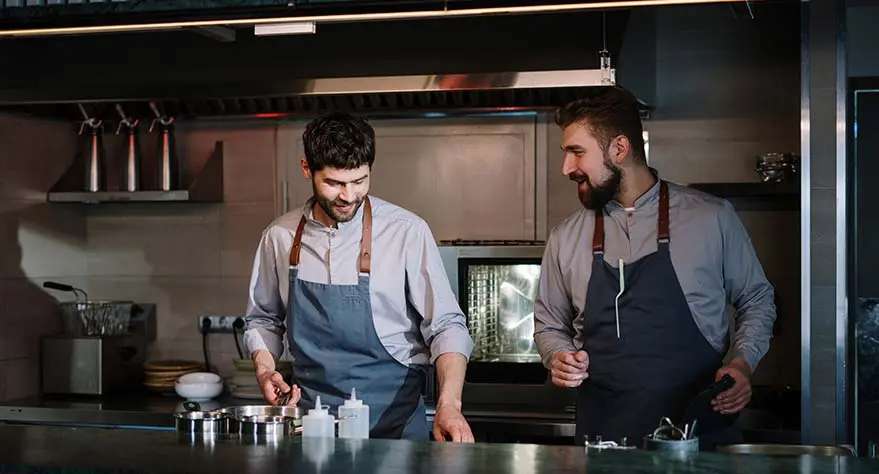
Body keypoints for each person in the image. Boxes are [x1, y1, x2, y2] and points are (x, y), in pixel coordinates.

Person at [533, 86, 777, 450]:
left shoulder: (711, 218)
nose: (566, 168)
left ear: (619, 148)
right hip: (604, 443)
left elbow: (757, 300)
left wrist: (742, 363)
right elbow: (549, 325)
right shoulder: (565, 236)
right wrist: (558, 356)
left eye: (576, 152)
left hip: (698, 442)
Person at [243, 112, 475, 443]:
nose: (349, 196)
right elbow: (264, 319)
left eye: (359, 181)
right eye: (334, 183)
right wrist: (266, 370)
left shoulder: (406, 232)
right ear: (307, 168)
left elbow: (446, 326)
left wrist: (449, 405)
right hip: (311, 430)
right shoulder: (279, 237)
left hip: (394, 433)